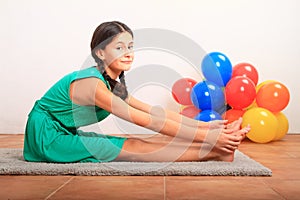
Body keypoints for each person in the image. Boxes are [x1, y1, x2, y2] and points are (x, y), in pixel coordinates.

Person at [23, 21, 250, 163]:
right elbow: (144, 121)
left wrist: (210, 127)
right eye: (119, 48)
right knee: (133, 147)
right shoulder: (92, 85)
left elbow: (154, 113)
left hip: (61, 130)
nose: (129, 53)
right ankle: (216, 152)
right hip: (46, 135)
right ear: (100, 53)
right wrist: (210, 138)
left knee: (132, 142)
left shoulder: (112, 82)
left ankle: (215, 147)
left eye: (130, 46)